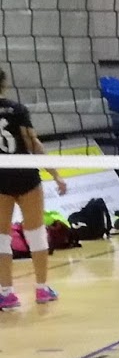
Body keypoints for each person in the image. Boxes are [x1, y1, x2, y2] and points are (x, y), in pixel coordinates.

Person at [0, 67, 67, 311]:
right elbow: (32, 144)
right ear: (4, 84)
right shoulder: (17, 109)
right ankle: (41, 288)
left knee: (1, 238)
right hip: (25, 175)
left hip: (1, 177)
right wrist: (55, 174)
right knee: (36, 233)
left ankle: (6, 294)